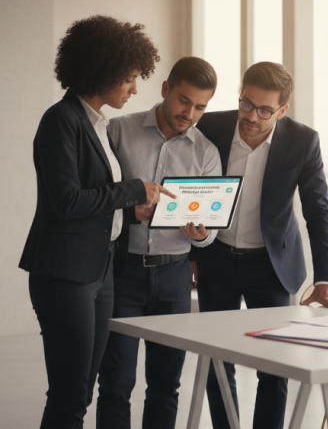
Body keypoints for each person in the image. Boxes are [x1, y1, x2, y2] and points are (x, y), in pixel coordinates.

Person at [18, 15, 175, 429]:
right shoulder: (61, 121)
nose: (134, 88)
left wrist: (130, 210)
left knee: (83, 390)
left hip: (100, 271)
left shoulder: (98, 124)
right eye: (128, 78)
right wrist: (133, 190)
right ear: (101, 72)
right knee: (69, 393)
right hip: (65, 274)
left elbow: (94, 201)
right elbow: (67, 202)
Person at [193, 61, 328, 429]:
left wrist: (326, 279)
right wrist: (190, 252)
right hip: (215, 259)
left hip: (271, 266)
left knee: (274, 368)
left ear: (282, 111)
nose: (251, 116)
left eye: (264, 110)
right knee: (218, 362)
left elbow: (319, 212)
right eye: (246, 104)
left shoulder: (302, 141)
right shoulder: (211, 126)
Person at [95, 56, 222, 429]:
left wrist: (202, 234)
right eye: (185, 101)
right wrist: (129, 210)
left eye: (201, 106)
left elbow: (210, 227)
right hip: (122, 274)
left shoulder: (206, 152)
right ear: (166, 90)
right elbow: (99, 196)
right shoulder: (117, 131)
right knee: (116, 383)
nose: (191, 113)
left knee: (166, 383)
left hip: (175, 278)